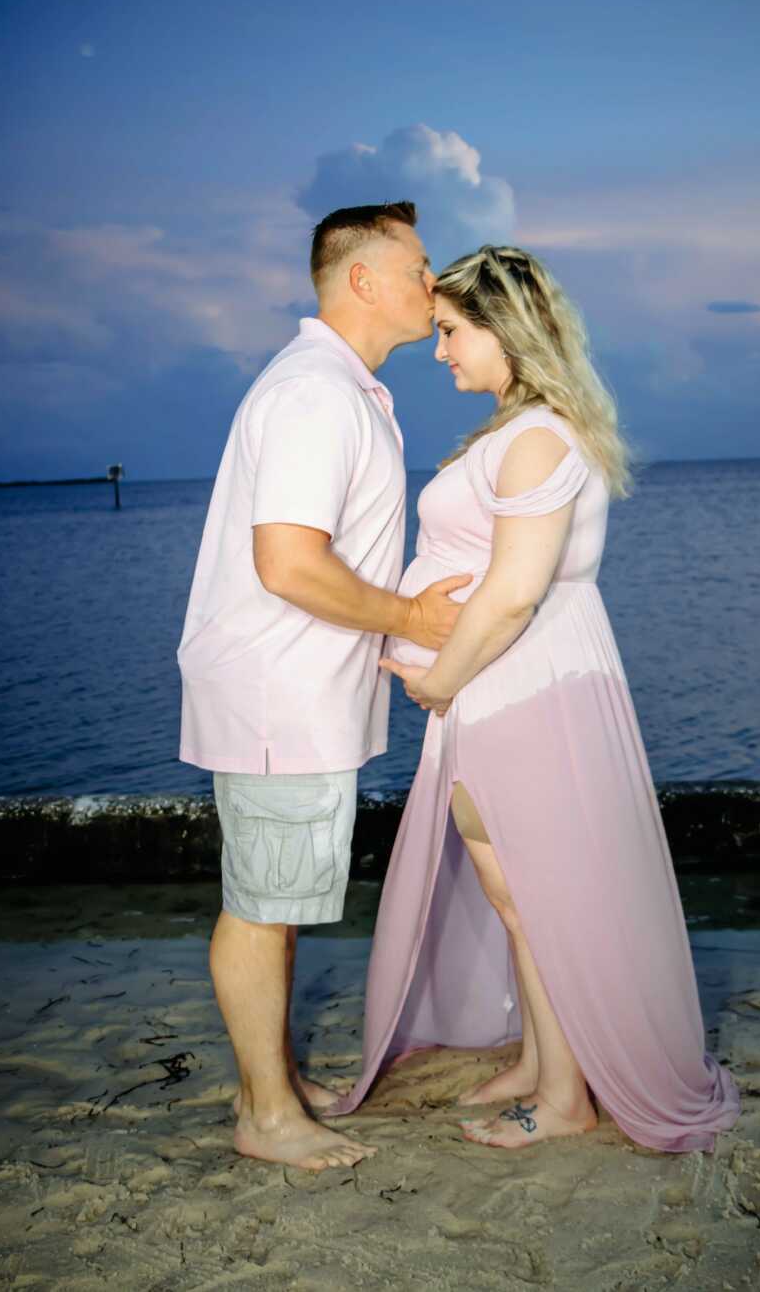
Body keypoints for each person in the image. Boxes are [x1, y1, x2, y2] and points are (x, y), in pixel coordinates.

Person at [328, 245, 741, 1152]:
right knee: (517, 891)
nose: (439, 352)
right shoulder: (526, 433)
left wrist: (438, 677)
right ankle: (545, 1064)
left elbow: (515, 591)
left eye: (450, 331)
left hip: (519, 680)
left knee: (531, 890)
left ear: (503, 329)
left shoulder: (537, 439)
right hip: (510, 678)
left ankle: (563, 1099)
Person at [177, 201, 471, 1171]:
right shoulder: (315, 394)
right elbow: (288, 565)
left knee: (278, 891)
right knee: (261, 902)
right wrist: (412, 620)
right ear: (363, 280)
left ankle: (271, 1079)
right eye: (421, 267)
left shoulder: (341, 389)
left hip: (296, 695)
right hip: (278, 693)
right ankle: (265, 1116)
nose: (435, 286)